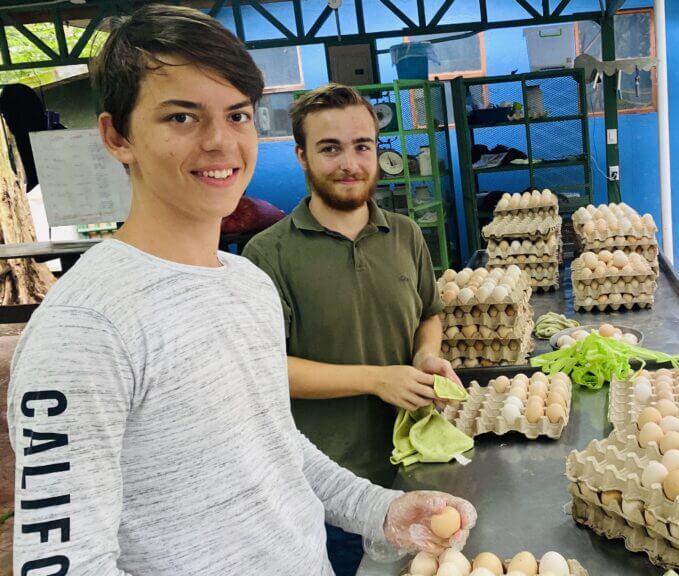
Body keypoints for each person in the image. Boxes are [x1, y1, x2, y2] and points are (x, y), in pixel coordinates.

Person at [6, 6, 474, 576]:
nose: (220, 142)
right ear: (117, 136)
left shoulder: (248, 285)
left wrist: (383, 508)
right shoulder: (84, 328)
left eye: (237, 115)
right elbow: (64, 563)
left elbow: (276, 448)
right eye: (182, 117)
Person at [242, 84, 459, 573]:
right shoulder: (268, 254)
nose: (350, 163)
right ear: (301, 155)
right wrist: (377, 378)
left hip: (413, 468)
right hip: (325, 486)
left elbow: (428, 313)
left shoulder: (404, 234)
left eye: (362, 146)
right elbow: (265, 371)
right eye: (330, 148)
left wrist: (426, 356)